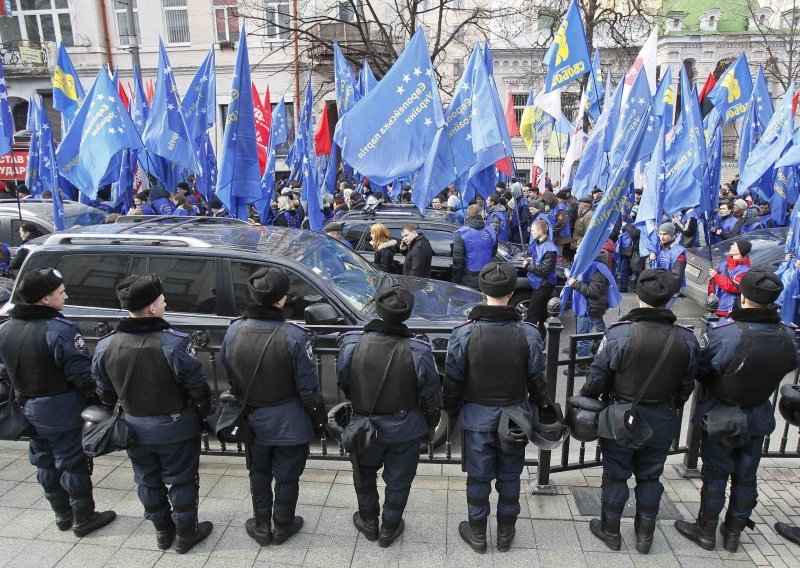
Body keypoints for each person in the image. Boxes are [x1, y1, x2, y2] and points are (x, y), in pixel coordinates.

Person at [675, 270, 800, 553]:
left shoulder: (726, 332)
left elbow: (702, 369)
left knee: (716, 475)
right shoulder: (787, 335)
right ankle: (733, 534)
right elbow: (790, 364)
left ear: (743, 297)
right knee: (746, 476)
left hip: (723, 414)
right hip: (758, 413)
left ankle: (706, 531)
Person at [581, 269, 699, 554]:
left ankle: (611, 532)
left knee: (616, 475)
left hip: (621, 415)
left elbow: (597, 379)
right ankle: (644, 537)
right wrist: (671, 407)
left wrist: (587, 400)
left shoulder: (620, 333)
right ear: (670, 299)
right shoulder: (687, 339)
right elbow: (687, 383)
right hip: (661, 415)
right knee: (650, 476)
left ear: (639, 297)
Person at [92, 274, 213, 553]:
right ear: (151, 308)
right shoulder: (174, 343)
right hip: (174, 425)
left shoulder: (106, 345)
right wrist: (202, 417)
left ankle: (162, 532)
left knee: (147, 479)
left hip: (132, 427)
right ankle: (185, 534)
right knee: (182, 479)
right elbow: (198, 389)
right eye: (161, 300)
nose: (165, 303)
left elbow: (105, 393)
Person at [0, 269, 116, 536]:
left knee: (43, 461)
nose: (66, 295)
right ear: (44, 299)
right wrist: (99, 402)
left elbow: (5, 372)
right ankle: (83, 517)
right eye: (60, 292)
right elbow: (82, 375)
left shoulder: (5, 329)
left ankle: (62, 515)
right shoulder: (60, 329)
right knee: (72, 463)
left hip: (26, 407)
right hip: (61, 408)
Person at [444, 262, 549, 554]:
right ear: (512, 292)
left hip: (477, 416)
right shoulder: (528, 333)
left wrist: (449, 411)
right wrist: (543, 407)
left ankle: (478, 534)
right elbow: (537, 379)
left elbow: (452, 381)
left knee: (478, 477)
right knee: (510, 476)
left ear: (481, 291)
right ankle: (505, 533)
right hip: (515, 415)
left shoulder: (464, 333)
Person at [220, 267, 325, 546]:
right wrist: (320, 421)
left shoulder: (233, 330)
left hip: (252, 417)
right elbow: (308, 387)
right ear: (281, 300)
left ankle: (261, 525)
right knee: (287, 476)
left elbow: (230, 375)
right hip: (289, 418)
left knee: (259, 472)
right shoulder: (294, 336)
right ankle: (283, 524)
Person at [336, 285, 440, 547]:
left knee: (364, 475)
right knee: (399, 480)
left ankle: (369, 522)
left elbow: (344, 382)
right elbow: (430, 397)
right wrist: (429, 426)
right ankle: (389, 528)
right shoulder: (418, 350)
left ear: (377, 308)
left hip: (364, 423)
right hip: (405, 427)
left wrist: (363, 403)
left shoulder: (351, 343)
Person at [567, 250, 621, 376]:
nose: (577, 253)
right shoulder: (596, 265)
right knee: (597, 328)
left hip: (589, 307)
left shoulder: (596, 268)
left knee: (583, 337)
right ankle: (598, 348)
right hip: (592, 306)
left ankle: (582, 366)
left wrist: (575, 284)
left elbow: (594, 291)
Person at [524, 220, 558, 335]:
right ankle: (542, 338)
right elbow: (539, 260)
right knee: (543, 314)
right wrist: (532, 260)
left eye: (533, 230)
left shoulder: (550, 248)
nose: (531, 233)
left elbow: (545, 270)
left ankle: (529, 339)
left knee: (532, 315)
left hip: (544, 284)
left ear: (540, 231)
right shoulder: (540, 243)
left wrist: (528, 266)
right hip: (541, 283)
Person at [452, 205, 497, 289]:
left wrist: (455, 281)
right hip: (488, 275)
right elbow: (494, 252)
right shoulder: (491, 231)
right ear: (480, 214)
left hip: (469, 277)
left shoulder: (462, 233)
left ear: (467, 215)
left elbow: (458, 261)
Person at [707, 239, 751, 317]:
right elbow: (712, 282)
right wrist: (711, 294)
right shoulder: (723, 264)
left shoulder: (745, 270)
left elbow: (733, 287)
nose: (731, 246)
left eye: (734, 245)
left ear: (740, 249)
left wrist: (716, 276)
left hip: (729, 310)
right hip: (716, 307)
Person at [651, 222, 686, 306]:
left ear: (672, 235)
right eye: (660, 234)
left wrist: (672, 292)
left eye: (665, 234)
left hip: (668, 290)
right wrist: (651, 258)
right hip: (659, 287)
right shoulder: (659, 247)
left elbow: (677, 276)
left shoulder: (678, 252)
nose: (662, 237)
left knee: (660, 316)